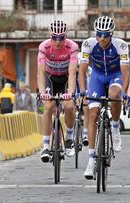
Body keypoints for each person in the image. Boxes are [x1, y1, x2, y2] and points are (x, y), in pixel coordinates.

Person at [78, 16, 130, 179]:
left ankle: (115, 126)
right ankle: (91, 161)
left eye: (105, 35)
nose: (101, 38)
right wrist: (82, 91)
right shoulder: (88, 44)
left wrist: (125, 93)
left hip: (115, 76)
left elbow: (125, 71)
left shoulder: (121, 45)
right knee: (93, 115)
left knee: (114, 95)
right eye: (99, 34)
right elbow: (82, 70)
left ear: (112, 34)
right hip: (97, 77)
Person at [37, 20, 78, 162]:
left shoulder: (72, 47)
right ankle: (46, 145)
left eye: (61, 38)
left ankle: (70, 138)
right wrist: (43, 92)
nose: (58, 41)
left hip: (66, 78)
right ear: (50, 36)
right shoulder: (44, 47)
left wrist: (70, 93)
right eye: (55, 37)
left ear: (65, 36)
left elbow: (72, 73)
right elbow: (40, 73)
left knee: (69, 106)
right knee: (48, 106)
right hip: (51, 78)